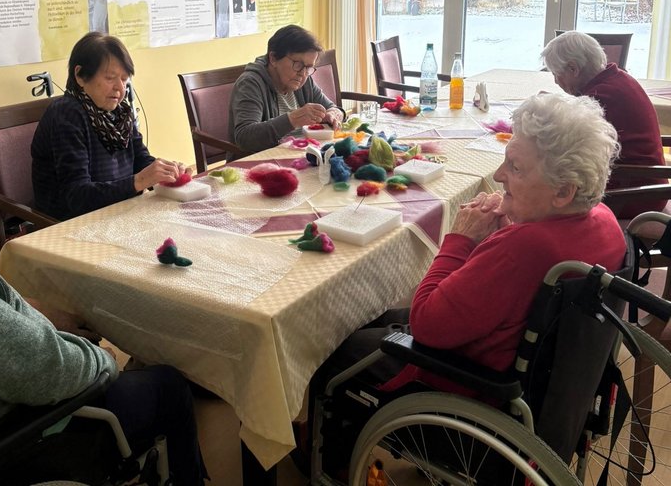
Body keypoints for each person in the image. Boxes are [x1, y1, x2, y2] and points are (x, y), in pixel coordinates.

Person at [304, 93, 626, 474]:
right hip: (543, 392)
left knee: (331, 349)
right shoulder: (605, 223)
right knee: (374, 319)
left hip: (472, 394)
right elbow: (513, 285)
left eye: (516, 168)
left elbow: (426, 322)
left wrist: (461, 239)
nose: (500, 175)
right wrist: (503, 237)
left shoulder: (523, 250)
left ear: (563, 191)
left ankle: (329, 471)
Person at [0, 126, 206, 485]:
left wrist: (31, 311)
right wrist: (103, 360)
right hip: (16, 444)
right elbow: (50, 372)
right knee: (168, 384)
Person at [32, 32, 190, 221]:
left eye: (124, 79)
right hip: (69, 224)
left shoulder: (120, 112)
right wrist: (139, 181)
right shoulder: (66, 114)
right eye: (110, 78)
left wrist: (165, 172)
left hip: (119, 210)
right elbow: (77, 197)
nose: (120, 88)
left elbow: (140, 159)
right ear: (80, 76)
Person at [541, 31, 666, 218]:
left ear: (573, 69)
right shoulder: (617, 77)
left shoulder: (600, 98)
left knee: (542, 189)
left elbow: (568, 145)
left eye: (556, 74)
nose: (556, 81)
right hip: (647, 185)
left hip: (633, 194)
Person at [228, 24, 344, 155]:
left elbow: (334, 108)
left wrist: (334, 115)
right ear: (273, 58)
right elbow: (245, 138)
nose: (303, 73)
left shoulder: (304, 80)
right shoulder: (250, 83)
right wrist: (292, 120)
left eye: (308, 67)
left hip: (298, 155)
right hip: (260, 161)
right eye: (297, 64)